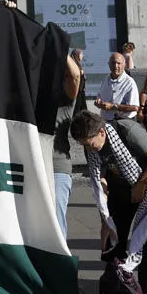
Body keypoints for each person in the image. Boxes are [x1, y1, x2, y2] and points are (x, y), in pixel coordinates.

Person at [74, 107, 147, 294]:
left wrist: (141, 184)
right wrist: (105, 220)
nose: (90, 148)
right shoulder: (92, 145)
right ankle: (118, 287)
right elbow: (99, 174)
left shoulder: (126, 130)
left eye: (90, 143)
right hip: (121, 184)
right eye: (85, 145)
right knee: (116, 233)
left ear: (101, 132)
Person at [48, 51, 86, 243]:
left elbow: (75, 75)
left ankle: (58, 267)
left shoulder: (66, 98)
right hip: (31, 166)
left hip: (56, 168)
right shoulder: (34, 95)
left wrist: (59, 47)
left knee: (55, 222)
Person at [94, 52, 140, 124]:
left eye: (119, 63)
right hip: (106, 121)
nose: (116, 66)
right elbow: (100, 96)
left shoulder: (129, 82)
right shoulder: (106, 79)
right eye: (113, 63)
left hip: (124, 123)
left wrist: (113, 107)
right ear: (109, 64)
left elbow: (135, 108)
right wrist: (98, 102)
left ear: (124, 65)